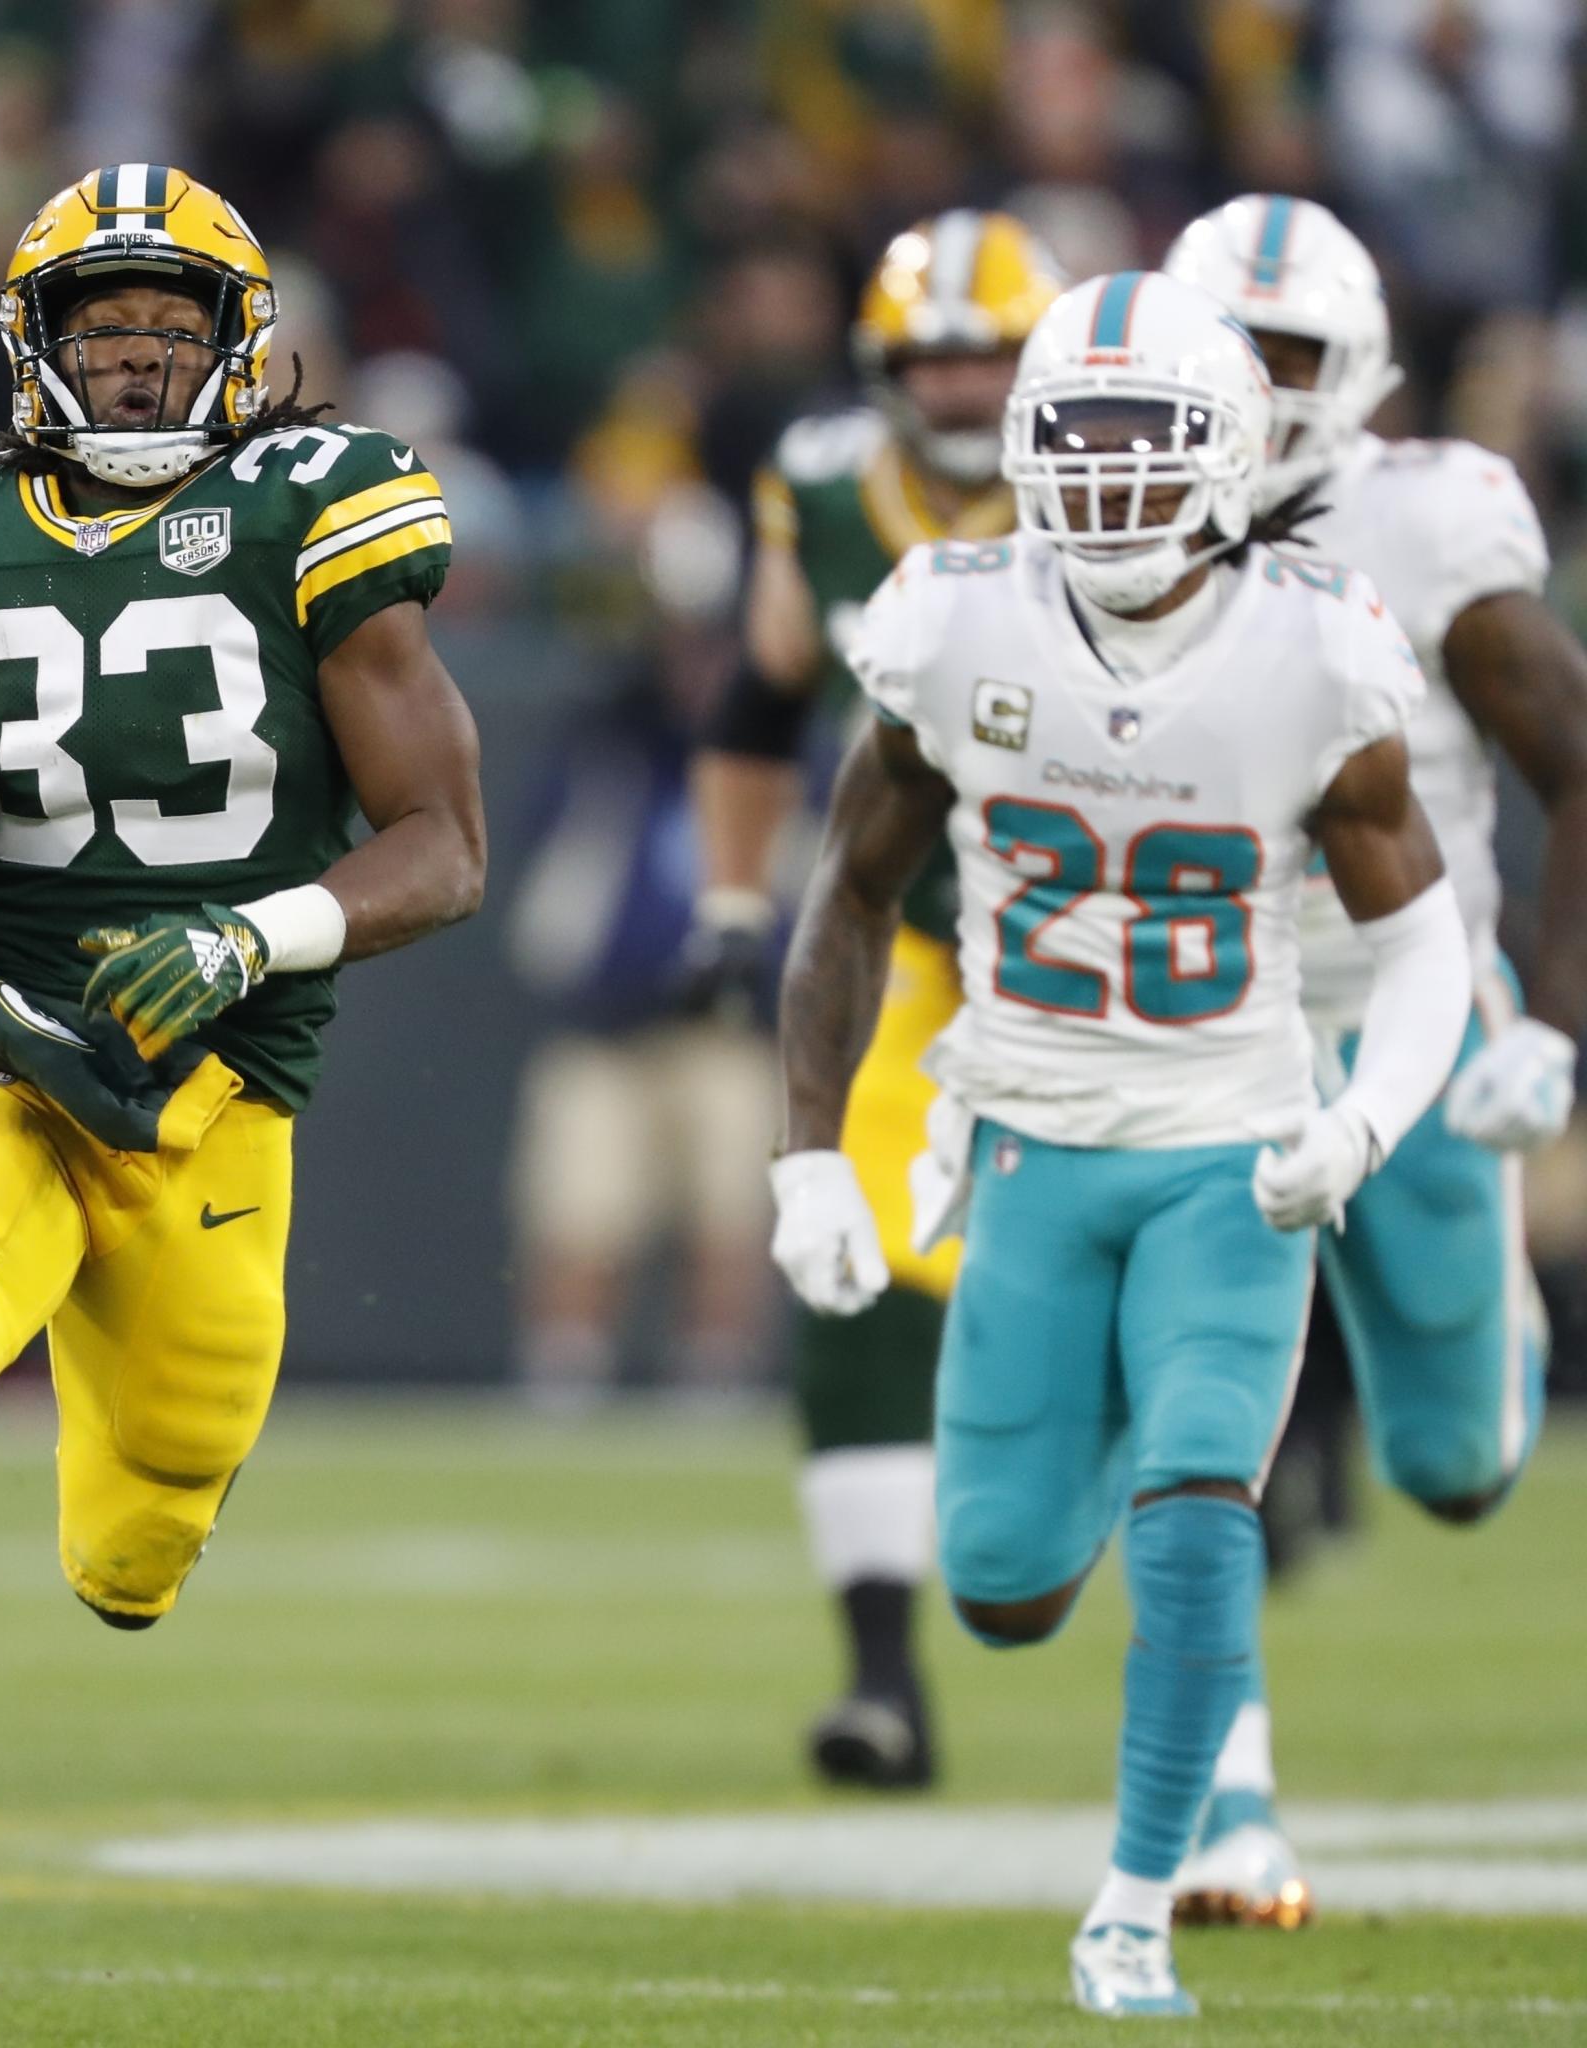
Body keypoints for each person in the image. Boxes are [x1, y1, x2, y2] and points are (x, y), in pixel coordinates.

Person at [0, 163, 485, 2046]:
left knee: (132, 1558)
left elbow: (445, 847)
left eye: (172, 327)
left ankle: (146, 1503)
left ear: (239, 347)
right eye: (106, 326)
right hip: (5, 1048)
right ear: (35, 345)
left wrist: (256, 940)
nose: (140, 358)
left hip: (219, 1096)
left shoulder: (322, 506)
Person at [768, 268, 1467, 2016]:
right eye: (1070, 435)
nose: (1102, 475)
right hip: (1032, 1141)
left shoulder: (1314, 639)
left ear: (1227, 449)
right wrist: (808, 1157)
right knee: (999, 1587)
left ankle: (1140, 1903)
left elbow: (1428, 939)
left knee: (1197, 1512)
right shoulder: (956, 618)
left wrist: (1369, 1116)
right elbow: (848, 894)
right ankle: (1111, 1450)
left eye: (1145, 438)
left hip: (1234, 1146)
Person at [1158, 195, 1586, 1926]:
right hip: (1190, 1023)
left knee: (1460, 1465)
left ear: (1363, 375)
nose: (1256, 390)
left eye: (1292, 358)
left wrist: (1548, 1020)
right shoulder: (1080, 521)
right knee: (1196, 1432)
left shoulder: (1430, 522)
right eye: (1229, 348)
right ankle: (1226, 1810)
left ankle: (1476, 1342)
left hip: (1414, 1004)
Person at [681, 211, 1062, 1789]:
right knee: (847, 1268)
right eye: (937, 356)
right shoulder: (830, 487)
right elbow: (765, 692)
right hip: (911, 938)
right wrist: (731, 894)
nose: (965, 384)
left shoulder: (1116, 473)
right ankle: (886, 1679)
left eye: (992, 352)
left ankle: (1300, 1441)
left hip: (1113, 939)